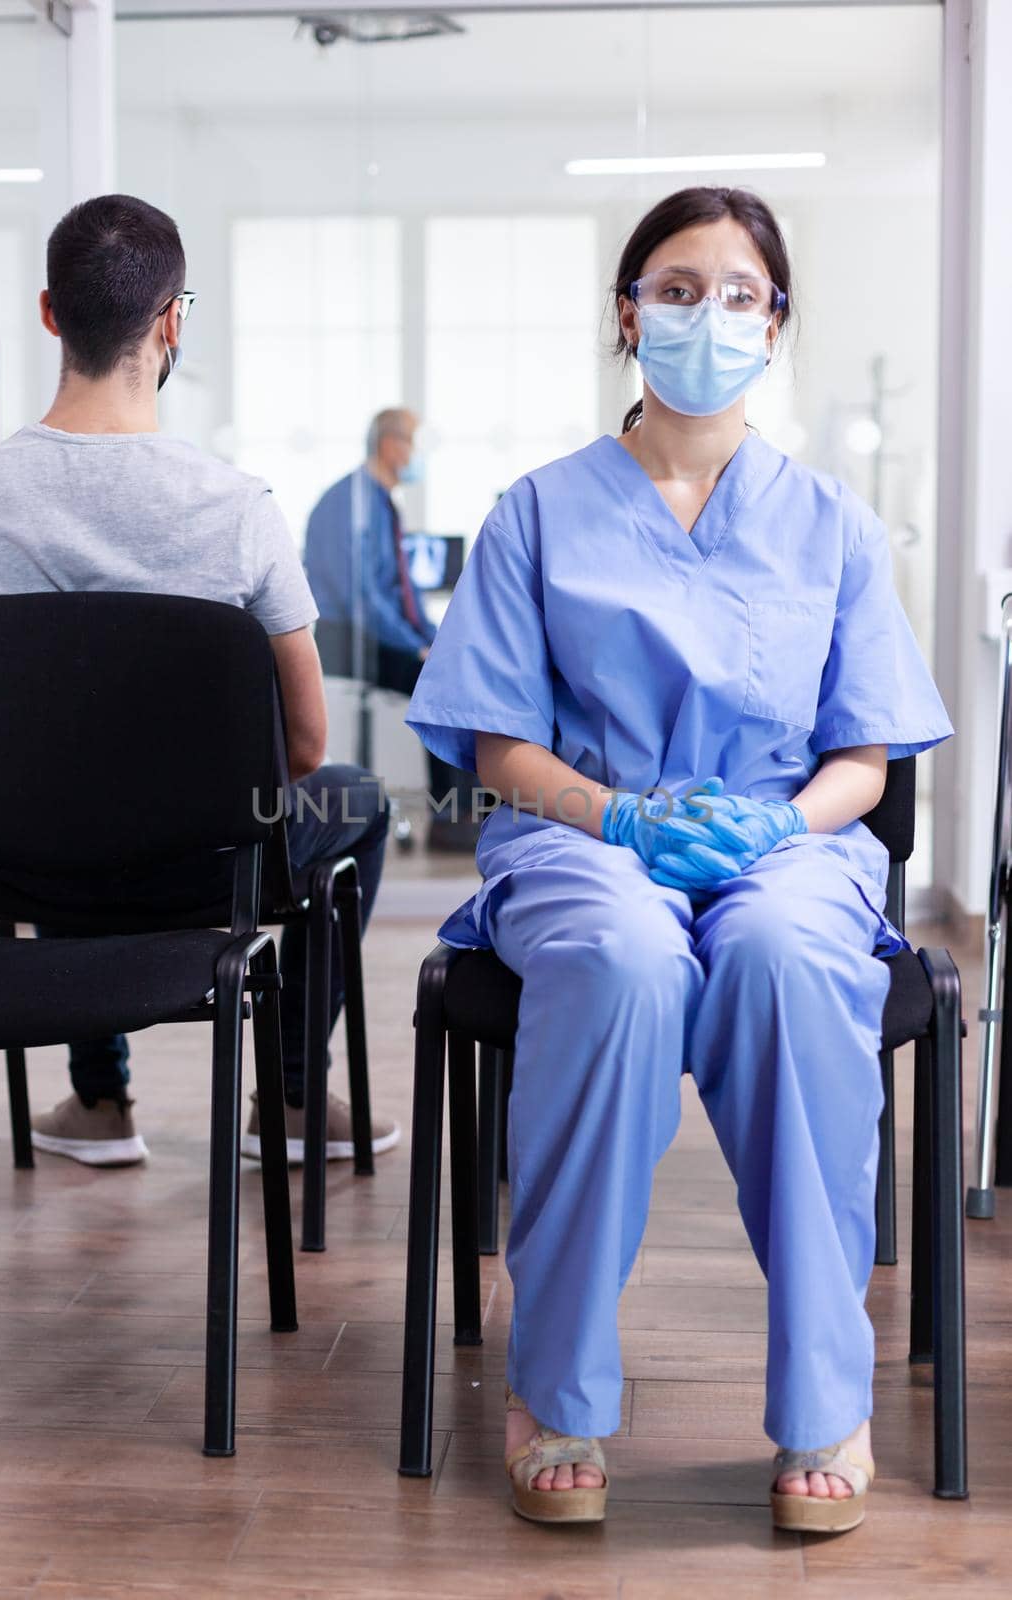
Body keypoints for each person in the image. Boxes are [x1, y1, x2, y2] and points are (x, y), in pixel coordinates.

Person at [406, 186, 953, 1533]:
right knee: (622, 958)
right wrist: (621, 820)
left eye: (736, 293)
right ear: (622, 312)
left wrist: (779, 825)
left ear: (774, 326)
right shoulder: (536, 513)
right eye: (673, 286)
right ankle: (556, 1388)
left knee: (775, 955)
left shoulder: (826, 522)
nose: (703, 314)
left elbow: (863, 761)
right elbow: (494, 749)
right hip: (588, 837)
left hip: (783, 843)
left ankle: (823, 1395)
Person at [0, 193, 400, 1170]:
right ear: (170, 321)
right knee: (355, 797)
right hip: (208, 871)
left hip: (16, 870)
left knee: (57, 789)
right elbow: (304, 747)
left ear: (49, 313)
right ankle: (283, 1096)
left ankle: (100, 1099)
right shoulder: (234, 511)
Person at [305, 409, 479, 850]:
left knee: (459, 668)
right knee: (437, 680)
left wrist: (437, 638)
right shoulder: (348, 503)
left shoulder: (380, 504)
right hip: (344, 636)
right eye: (415, 444)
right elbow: (361, 597)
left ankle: (480, 806)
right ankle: (451, 817)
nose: (418, 457)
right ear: (391, 446)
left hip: (373, 631)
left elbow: (402, 591)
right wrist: (417, 649)